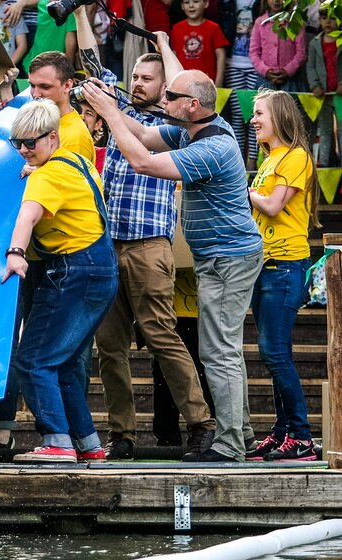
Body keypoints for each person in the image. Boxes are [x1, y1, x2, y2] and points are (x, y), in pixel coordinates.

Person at [83, 70, 263, 462]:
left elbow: (143, 161)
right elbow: (144, 134)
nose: (163, 101)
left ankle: (229, 444)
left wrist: (109, 113)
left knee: (218, 352)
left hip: (229, 257)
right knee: (222, 350)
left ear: (192, 105)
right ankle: (243, 436)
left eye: (170, 96)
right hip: (216, 256)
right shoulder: (190, 131)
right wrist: (111, 104)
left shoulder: (213, 146)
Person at [75, 9, 215, 461]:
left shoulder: (173, 128)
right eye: (134, 76)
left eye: (147, 78)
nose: (136, 83)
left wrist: (166, 46)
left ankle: (201, 424)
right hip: (107, 245)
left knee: (161, 336)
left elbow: (184, 83)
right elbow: (92, 62)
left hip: (149, 246)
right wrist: (80, 11)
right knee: (109, 347)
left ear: (164, 88)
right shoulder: (117, 108)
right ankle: (122, 434)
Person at [3, 99, 116, 463]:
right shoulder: (78, 162)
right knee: (63, 362)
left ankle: (57, 442)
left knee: (33, 359)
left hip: (73, 271)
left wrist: (15, 253)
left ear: (52, 137)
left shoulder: (46, 176)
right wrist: (34, 165)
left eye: (30, 143)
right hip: (102, 270)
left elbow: (27, 215)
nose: (23, 150)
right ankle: (87, 443)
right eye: (17, 143)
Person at [244, 90, 321, 462]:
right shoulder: (269, 158)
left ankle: (302, 437)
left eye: (259, 113)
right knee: (275, 353)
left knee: (274, 352)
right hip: (264, 265)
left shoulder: (296, 156)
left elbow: (273, 205)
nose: (253, 120)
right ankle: (282, 433)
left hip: (286, 265)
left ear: (280, 117)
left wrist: (247, 192)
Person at [223, 0, 260, 171]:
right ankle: (239, 162)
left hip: (255, 66)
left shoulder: (260, 3)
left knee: (254, 115)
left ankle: (252, 161)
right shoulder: (228, 3)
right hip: (233, 63)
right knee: (238, 116)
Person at [307, 5, 342, 167]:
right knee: (325, 130)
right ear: (319, 20)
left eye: (333, 18)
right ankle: (325, 167)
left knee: (341, 130)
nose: (328, 22)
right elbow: (310, 66)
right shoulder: (315, 43)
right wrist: (315, 85)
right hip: (324, 96)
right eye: (324, 18)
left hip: (340, 96)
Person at [250, 0, 306, 92]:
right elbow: (254, 52)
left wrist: (288, 71)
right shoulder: (260, 22)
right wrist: (265, 71)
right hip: (265, 80)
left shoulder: (296, 23)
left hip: (291, 80)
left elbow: (301, 52)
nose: (276, 1)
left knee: (289, 102)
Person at [170, 0, 228, 86]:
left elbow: (221, 55)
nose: (191, 5)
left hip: (207, 82)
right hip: (183, 82)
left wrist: (219, 82)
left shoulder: (214, 28)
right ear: (182, 6)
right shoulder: (176, 29)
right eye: (186, 2)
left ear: (206, 3)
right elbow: (173, 56)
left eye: (196, 1)